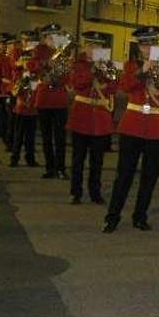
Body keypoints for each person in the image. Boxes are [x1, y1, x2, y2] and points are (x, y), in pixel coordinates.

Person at [103, 26, 159, 233]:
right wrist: (143, 71)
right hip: (132, 125)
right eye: (144, 44)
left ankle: (140, 215)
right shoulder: (131, 66)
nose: (148, 48)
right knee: (124, 175)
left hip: (156, 126)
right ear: (139, 47)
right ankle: (112, 217)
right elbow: (125, 86)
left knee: (149, 177)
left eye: (152, 43)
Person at [66, 31, 117, 205]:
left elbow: (114, 86)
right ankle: (76, 191)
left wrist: (105, 79)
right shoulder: (78, 63)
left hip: (100, 118)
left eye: (97, 46)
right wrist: (92, 70)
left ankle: (95, 191)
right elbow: (77, 83)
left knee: (97, 161)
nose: (93, 49)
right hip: (81, 115)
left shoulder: (107, 64)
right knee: (78, 159)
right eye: (90, 46)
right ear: (85, 47)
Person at [29, 23, 71, 180]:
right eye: (50, 37)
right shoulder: (39, 50)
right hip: (44, 98)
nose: (53, 39)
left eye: (56, 36)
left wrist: (62, 73)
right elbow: (31, 66)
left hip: (59, 98)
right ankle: (49, 168)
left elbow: (68, 74)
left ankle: (61, 168)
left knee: (60, 137)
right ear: (45, 38)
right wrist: (45, 63)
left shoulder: (63, 51)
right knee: (46, 137)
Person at [9, 33, 40, 168]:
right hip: (22, 98)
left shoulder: (36, 56)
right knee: (19, 134)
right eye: (25, 40)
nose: (26, 43)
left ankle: (30, 158)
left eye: (29, 41)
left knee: (30, 136)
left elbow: (36, 71)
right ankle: (14, 158)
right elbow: (15, 68)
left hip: (33, 98)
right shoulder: (20, 54)